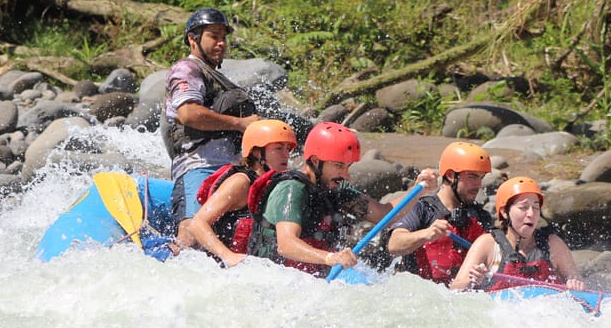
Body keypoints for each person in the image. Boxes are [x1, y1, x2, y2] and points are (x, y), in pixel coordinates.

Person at [247, 122, 438, 277]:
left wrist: (418, 190)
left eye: (348, 167)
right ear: (314, 161)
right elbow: (286, 245)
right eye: (339, 166)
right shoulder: (291, 189)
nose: (346, 175)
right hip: (275, 280)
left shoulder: (336, 188)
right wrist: (331, 257)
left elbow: (384, 215)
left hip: (310, 281)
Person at [161, 7, 262, 247]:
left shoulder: (219, 79)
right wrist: (240, 124)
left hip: (231, 170)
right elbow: (188, 113)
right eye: (213, 36)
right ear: (192, 39)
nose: (221, 43)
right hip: (198, 166)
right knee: (191, 234)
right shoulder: (186, 69)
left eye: (224, 37)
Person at [185, 119, 297, 267]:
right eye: (278, 148)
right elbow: (197, 224)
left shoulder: (279, 185)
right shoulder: (240, 182)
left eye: (288, 149)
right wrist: (228, 256)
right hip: (218, 267)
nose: (286, 155)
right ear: (256, 152)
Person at [450, 176, 585, 292]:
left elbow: (576, 280)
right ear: (504, 212)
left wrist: (575, 284)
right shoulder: (487, 244)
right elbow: (454, 289)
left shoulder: (553, 244)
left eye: (536, 208)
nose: (531, 214)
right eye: (523, 207)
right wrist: (472, 281)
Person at [386, 141, 493, 284]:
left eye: (481, 177)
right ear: (450, 175)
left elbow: (496, 259)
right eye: (472, 176)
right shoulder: (422, 209)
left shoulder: (481, 217)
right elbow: (394, 244)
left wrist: (484, 275)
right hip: (418, 296)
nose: (478, 185)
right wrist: (426, 234)